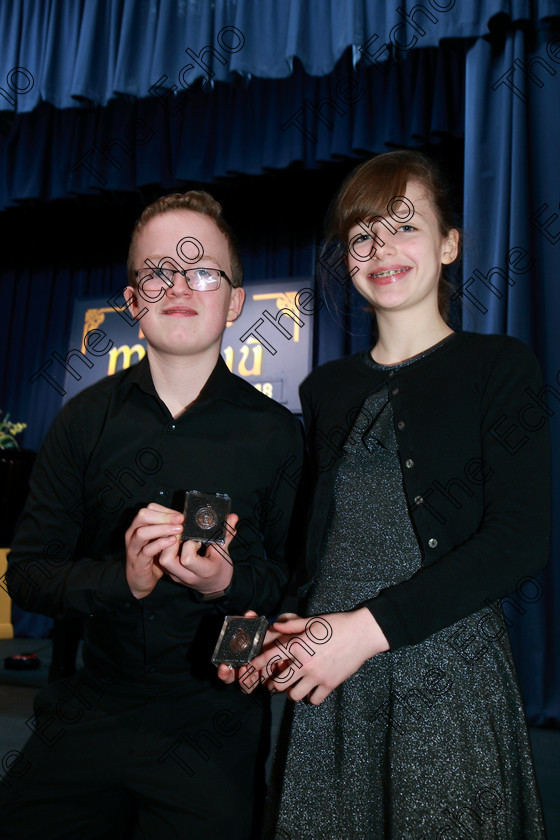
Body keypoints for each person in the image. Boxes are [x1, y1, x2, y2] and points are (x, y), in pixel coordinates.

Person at [229, 151, 550, 839]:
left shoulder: (498, 367)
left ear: (450, 243)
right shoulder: (325, 390)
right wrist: (282, 630)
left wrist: (363, 633)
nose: (382, 249)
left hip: (444, 669)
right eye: (362, 234)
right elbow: (315, 547)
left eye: (405, 226)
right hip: (332, 675)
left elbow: (520, 538)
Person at [2, 191, 304, 839]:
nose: (179, 286)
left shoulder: (279, 436)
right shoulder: (82, 422)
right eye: (157, 272)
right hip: (86, 708)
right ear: (134, 304)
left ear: (234, 302)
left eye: (202, 272)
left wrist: (227, 585)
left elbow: (293, 581)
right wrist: (125, 581)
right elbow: (26, 575)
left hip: (212, 725)